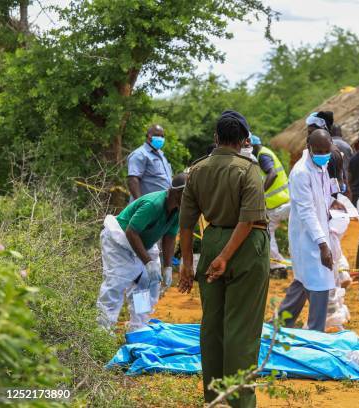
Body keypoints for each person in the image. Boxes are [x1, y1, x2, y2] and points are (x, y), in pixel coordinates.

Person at [178, 110, 269, 408]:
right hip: (245, 247)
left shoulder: (197, 169)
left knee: (213, 325)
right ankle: (240, 401)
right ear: (245, 141)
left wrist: (188, 263)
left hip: (212, 240)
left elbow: (187, 222)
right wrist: (226, 257)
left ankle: (214, 398)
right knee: (241, 328)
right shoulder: (248, 169)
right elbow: (248, 220)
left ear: (215, 138)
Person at [96, 173, 186, 332]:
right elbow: (131, 232)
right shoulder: (153, 204)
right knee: (116, 283)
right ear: (179, 193)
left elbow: (170, 237)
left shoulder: (178, 210)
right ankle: (103, 331)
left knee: (145, 284)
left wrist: (168, 267)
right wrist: (148, 262)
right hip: (119, 240)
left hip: (143, 242)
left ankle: (138, 327)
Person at [278, 129, 346, 331]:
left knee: (302, 283)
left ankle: (279, 326)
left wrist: (333, 203)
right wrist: (323, 245)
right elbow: (307, 212)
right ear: (309, 147)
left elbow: (322, 197)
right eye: (319, 150)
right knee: (320, 285)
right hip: (308, 239)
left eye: (327, 150)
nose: (324, 154)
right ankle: (316, 332)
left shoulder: (321, 165)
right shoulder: (300, 173)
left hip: (319, 233)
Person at [250, 134, 291, 279]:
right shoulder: (265, 152)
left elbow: (272, 174)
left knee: (267, 233)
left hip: (276, 204)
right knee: (269, 232)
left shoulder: (262, 156)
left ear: (253, 146)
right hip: (282, 202)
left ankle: (278, 266)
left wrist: (260, 193)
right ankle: (278, 265)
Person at [126, 124, 173, 200]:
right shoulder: (139, 154)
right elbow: (133, 180)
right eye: (157, 135)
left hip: (162, 204)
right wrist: (140, 203)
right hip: (147, 205)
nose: (160, 138)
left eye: (162, 136)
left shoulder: (162, 155)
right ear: (148, 136)